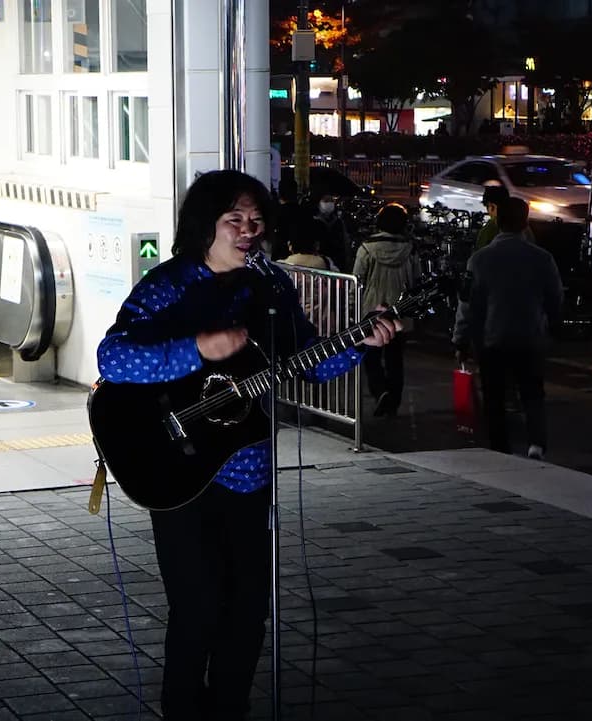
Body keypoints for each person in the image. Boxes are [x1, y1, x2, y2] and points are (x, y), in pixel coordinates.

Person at [96, 170, 397, 721]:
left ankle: (230, 709)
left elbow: (307, 360)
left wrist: (361, 340)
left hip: (249, 471)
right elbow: (112, 357)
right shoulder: (169, 284)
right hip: (177, 472)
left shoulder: (272, 285)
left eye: (256, 220)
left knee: (248, 609)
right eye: (234, 219)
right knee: (197, 608)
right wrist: (197, 348)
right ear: (204, 224)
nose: (248, 230)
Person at [453, 197, 563, 460]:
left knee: (494, 395)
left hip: (491, 337)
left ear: (498, 221)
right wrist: (551, 325)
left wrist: (460, 339)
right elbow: (555, 297)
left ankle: (500, 448)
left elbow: (466, 304)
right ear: (525, 222)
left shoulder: (479, 260)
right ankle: (536, 443)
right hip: (530, 335)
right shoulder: (542, 258)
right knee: (532, 392)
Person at [354, 203, 418, 416]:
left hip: (372, 311)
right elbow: (416, 281)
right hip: (400, 311)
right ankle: (393, 401)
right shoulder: (410, 249)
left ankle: (380, 391)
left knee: (371, 356)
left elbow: (357, 279)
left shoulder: (367, 248)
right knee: (395, 359)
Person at [301, 190, 352, 272]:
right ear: (319, 203)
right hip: (320, 264)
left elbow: (345, 243)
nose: (329, 203)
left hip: (338, 263)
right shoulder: (314, 222)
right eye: (326, 201)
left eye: (331, 201)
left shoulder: (338, 222)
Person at [476, 182, 509, 251]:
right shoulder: (523, 227)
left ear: (492, 207)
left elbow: (479, 256)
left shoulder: (489, 229)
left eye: (487, 207)